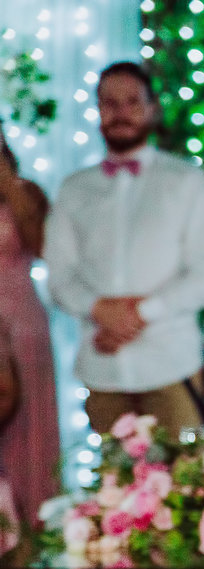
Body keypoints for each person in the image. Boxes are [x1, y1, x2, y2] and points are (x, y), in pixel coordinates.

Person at [44, 61, 204, 436]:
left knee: (184, 487)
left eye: (132, 101)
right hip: (102, 371)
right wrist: (100, 310)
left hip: (170, 367)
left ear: (151, 108)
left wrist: (137, 314)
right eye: (109, 103)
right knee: (112, 490)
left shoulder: (188, 183)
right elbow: (60, 276)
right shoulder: (73, 189)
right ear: (96, 110)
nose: (121, 112)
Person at [0, 132, 58, 526]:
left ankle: (31, 549)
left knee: (27, 437)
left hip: (22, 327)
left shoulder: (26, 191)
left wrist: (6, 178)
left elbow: (45, 247)